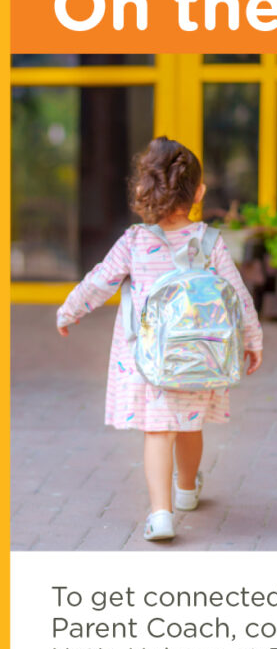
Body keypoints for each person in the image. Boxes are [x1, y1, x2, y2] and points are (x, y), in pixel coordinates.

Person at [56, 137, 263, 542]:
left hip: (150, 364)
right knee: (189, 426)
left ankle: (161, 514)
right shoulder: (210, 242)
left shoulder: (134, 242)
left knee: (158, 432)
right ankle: (186, 492)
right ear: (199, 193)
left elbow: (99, 282)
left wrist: (69, 311)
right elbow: (238, 298)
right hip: (201, 358)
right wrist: (252, 342)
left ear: (143, 191)